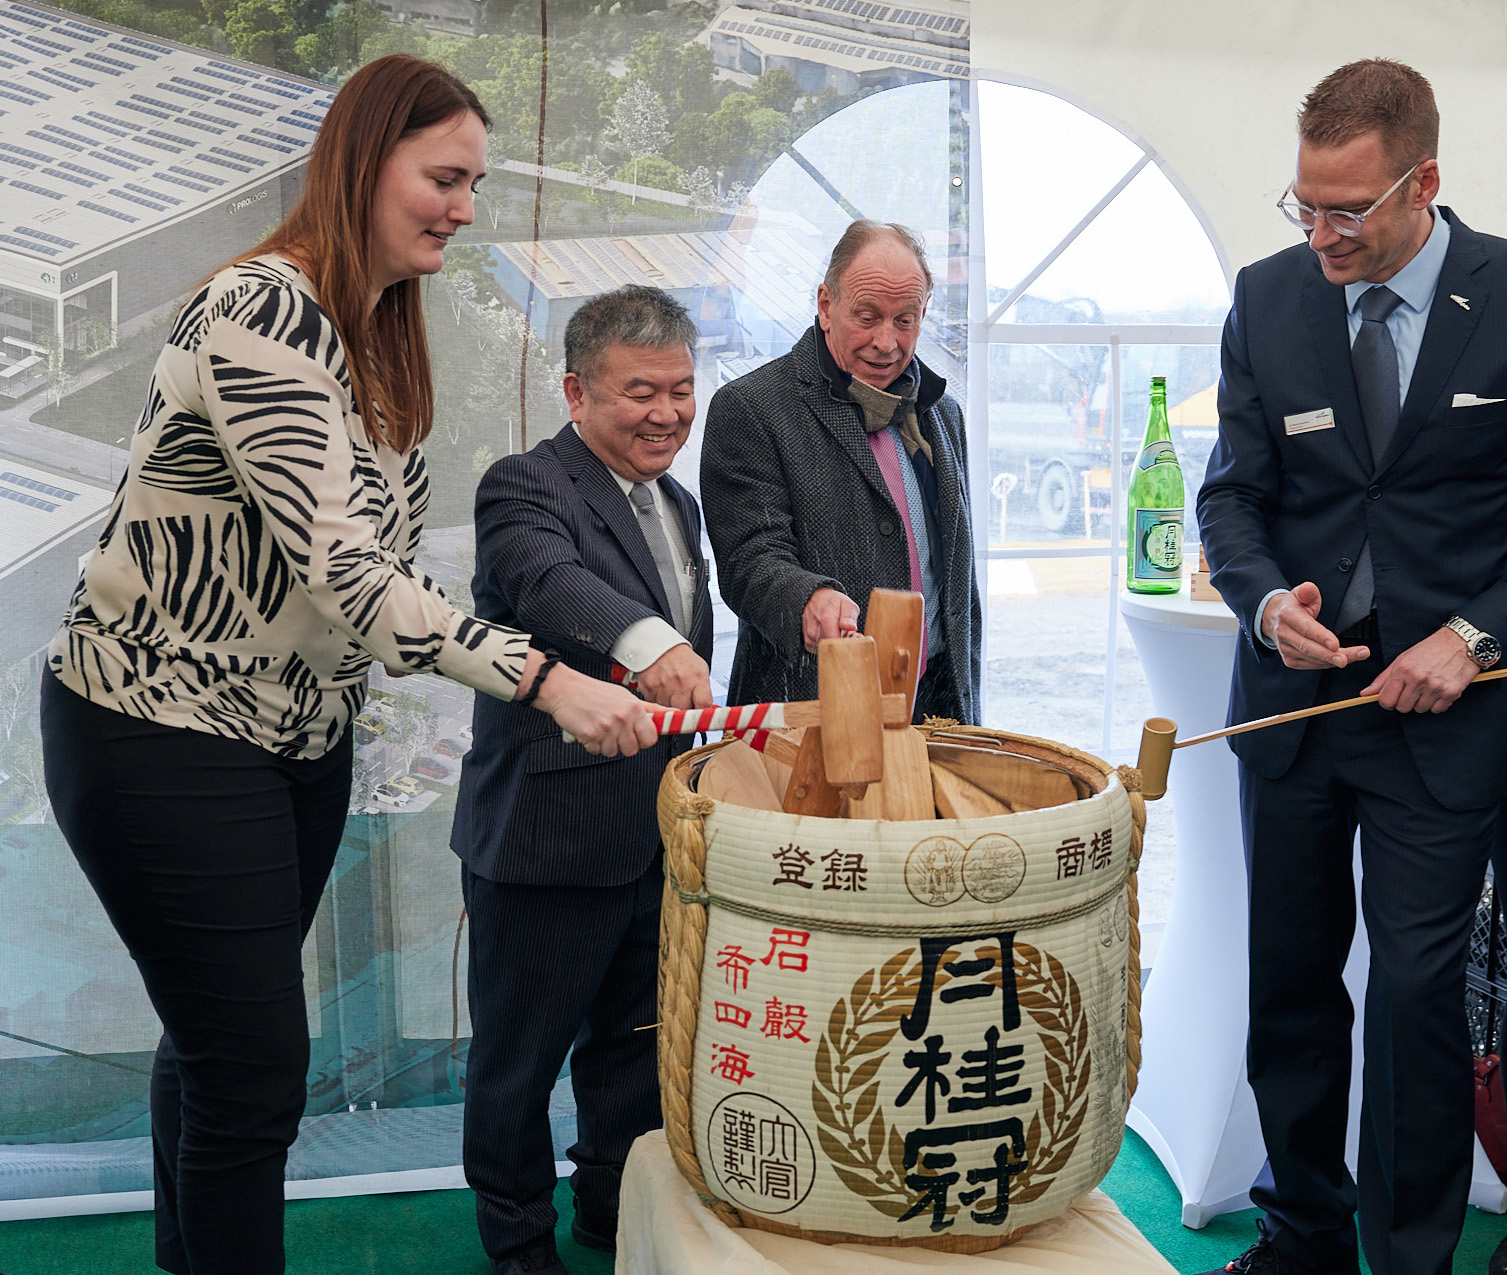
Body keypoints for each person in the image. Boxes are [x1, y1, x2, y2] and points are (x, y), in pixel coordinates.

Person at [39, 56, 656, 1275]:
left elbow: (376, 566)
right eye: (442, 177)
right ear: (361, 161)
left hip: (290, 742)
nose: (464, 208)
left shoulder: (376, 335)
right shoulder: (263, 309)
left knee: (218, 1040)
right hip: (158, 727)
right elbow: (348, 574)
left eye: (475, 183)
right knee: (256, 1066)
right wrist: (550, 680)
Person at [1197, 59, 1507, 1275]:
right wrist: (1267, 603)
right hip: (1290, 711)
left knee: (1418, 997)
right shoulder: (1266, 299)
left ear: (1422, 183)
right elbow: (1232, 500)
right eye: (1304, 206)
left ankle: (1410, 1254)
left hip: (1449, 719)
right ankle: (1304, 1232)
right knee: (1289, 986)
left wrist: (1473, 637)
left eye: (1348, 211)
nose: (1320, 235)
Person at [449, 285, 712, 1275]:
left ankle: (612, 1216)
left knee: (633, 1053)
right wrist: (647, 644)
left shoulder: (677, 503)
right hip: (542, 844)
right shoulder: (523, 487)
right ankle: (518, 1249)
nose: (666, 413)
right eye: (640, 391)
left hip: (654, 841)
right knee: (516, 1069)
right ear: (575, 392)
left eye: (682, 389)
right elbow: (545, 582)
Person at [699, 219, 981, 722]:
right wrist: (811, 599)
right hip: (812, 714)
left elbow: (956, 581)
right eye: (867, 316)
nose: (886, 342)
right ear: (826, 305)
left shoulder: (943, 416)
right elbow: (749, 560)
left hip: (938, 709)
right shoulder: (752, 408)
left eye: (905, 320)